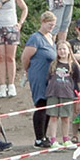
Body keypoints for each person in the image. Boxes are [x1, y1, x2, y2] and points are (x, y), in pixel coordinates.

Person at [21, 11, 57, 148]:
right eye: (49, 24)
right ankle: (38, 137)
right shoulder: (35, 38)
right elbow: (25, 57)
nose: (51, 27)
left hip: (50, 76)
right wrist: (28, 70)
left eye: (53, 25)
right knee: (41, 103)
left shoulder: (51, 37)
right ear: (43, 22)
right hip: (38, 73)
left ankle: (44, 135)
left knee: (48, 105)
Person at [44, 41, 80, 148]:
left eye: (64, 49)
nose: (62, 51)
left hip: (67, 94)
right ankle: (53, 140)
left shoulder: (74, 65)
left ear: (69, 50)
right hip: (53, 94)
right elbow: (48, 79)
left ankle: (66, 139)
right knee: (53, 117)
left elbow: (79, 81)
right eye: (60, 49)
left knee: (65, 117)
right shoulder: (53, 64)